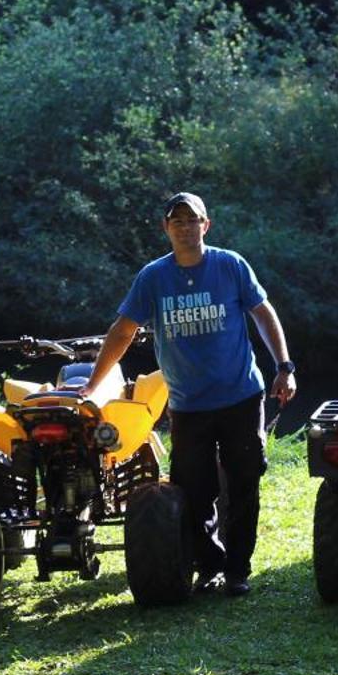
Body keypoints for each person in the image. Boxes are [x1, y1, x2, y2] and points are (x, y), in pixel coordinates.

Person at [86, 192, 296, 596]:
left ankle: (238, 570)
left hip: (240, 396)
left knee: (243, 482)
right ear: (166, 228)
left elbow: (264, 314)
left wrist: (284, 367)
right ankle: (209, 566)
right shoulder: (153, 277)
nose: (184, 227)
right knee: (194, 489)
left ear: (206, 225)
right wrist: (93, 384)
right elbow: (123, 330)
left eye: (192, 219)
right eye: (176, 220)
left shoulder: (230, 265)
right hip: (188, 404)